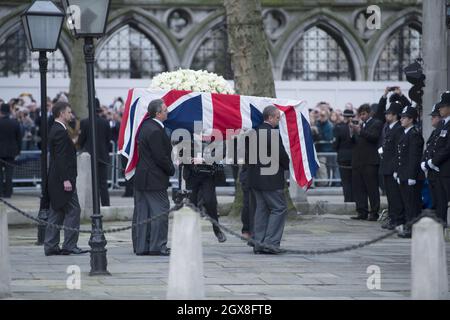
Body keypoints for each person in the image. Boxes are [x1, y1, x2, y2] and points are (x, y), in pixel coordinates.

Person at [132, 99, 175, 256]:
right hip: (154, 178)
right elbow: (160, 156)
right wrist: (171, 169)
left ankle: (142, 246)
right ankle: (158, 246)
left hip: (143, 176)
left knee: (144, 213)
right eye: (165, 110)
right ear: (158, 113)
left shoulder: (145, 126)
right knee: (160, 211)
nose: (167, 112)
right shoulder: (156, 130)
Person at [44, 102, 87, 256]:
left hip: (57, 179)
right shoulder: (60, 131)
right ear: (61, 114)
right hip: (62, 180)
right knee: (74, 210)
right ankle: (69, 245)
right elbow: (61, 158)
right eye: (69, 112)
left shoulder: (57, 129)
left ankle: (51, 245)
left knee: (57, 210)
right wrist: (66, 180)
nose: (71, 115)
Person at [248, 106, 290, 254]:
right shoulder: (271, 133)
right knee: (279, 208)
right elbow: (281, 155)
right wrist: (288, 164)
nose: (279, 120)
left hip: (255, 179)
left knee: (261, 209)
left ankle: (258, 243)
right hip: (270, 179)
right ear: (270, 118)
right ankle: (271, 243)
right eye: (278, 117)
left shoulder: (253, 133)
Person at [183, 135, 227, 243]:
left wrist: (204, 159)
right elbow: (180, 152)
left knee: (210, 202)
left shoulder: (214, 133)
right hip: (192, 174)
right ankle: (190, 233)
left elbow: (222, 152)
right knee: (191, 203)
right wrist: (189, 159)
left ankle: (217, 230)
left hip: (208, 175)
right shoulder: (188, 132)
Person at [394, 106, 424, 238]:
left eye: (404, 117)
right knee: (407, 202)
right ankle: (409, 226)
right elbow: (400, 156)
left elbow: (414, 157)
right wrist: (398, 172)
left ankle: (412, 228)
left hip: (412, 175)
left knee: (412, 204)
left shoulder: (414, 134)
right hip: (404, 174)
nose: (401, 119)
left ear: (411, 119)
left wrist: (411, 176)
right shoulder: (405, 133)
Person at [350, 104, 383, 221]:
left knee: (372, 188)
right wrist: (352, 132)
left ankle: (374, 212)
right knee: (359, 188)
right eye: (360, 114)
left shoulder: (376, 123)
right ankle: (361, 211)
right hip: (358, 161)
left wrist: (360, 130)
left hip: (370, 161)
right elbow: (354, 142)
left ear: (369, 113)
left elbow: (373, 137)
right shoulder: (360, 125)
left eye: (364, 114)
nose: (362, 117)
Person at [423, 91, 450, 227]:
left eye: (443, 106)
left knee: (445, 201)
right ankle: (440, 226)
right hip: (438, 170)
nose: (440, 109)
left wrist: (433, 161)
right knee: (439, 202)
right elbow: (434, 144)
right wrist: (428, 161)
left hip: (445, 169)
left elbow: (447, 148)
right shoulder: (442, 124)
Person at [78, 98, 112, 207]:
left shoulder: (85, 122)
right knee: (103, 183)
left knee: (92, 183)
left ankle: (94, 206)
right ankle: (106, 205)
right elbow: (108, 140)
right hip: (102, 156)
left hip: (89, 157)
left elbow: (81, 140)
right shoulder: (105, 122)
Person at [377, 101, 405, 230]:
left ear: (395, 115)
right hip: (386, 166)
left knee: (395, 196)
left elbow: (397, 151)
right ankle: (393, 218)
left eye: (389, 113)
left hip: (392, 167)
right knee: (390, 196)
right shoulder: (390, 128)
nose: (386, 115)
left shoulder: (398, 129)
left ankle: (397, 219)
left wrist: (395, 169)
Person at [421, 103, 443, 214]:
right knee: (433, 200)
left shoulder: (442, 131)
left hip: (438, 169)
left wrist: (431, 162)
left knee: (440, 201)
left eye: (434, 117)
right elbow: (428, 149)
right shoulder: (435, 132)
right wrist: (424, 162)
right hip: (430, 171)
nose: (432, 119)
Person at [0, 103, 22, 198]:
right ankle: (8, 193)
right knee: (9, 174)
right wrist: (18, 151)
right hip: (11, 152)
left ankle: (0, 192)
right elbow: (19, 139)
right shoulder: (15, 123)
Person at [333, 109, 354, 202]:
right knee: (354, 180)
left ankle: (348, 199)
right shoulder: (355, 126)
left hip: (343, 156)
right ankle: (354, 199)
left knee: (345, 181)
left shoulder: (338, 127)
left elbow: (335, 144)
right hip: (354, 156)